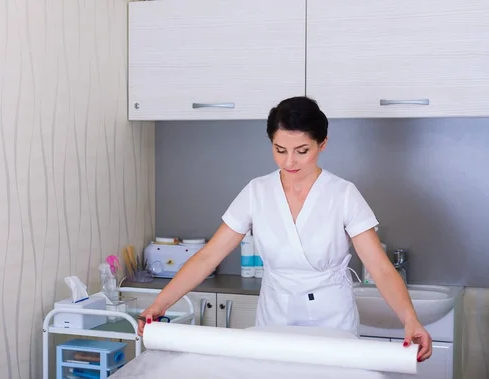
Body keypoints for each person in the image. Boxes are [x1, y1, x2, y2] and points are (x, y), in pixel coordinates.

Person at [138, 96, 432, 362]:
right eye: (280, 150)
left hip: (331, 320)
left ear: (323, 144)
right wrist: (160, 304)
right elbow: (208, 256)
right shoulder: (257, 191)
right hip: (274, 315)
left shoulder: (343, 194)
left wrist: (411, 320)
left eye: (301, 151)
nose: (289, 162)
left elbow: (379, 268)